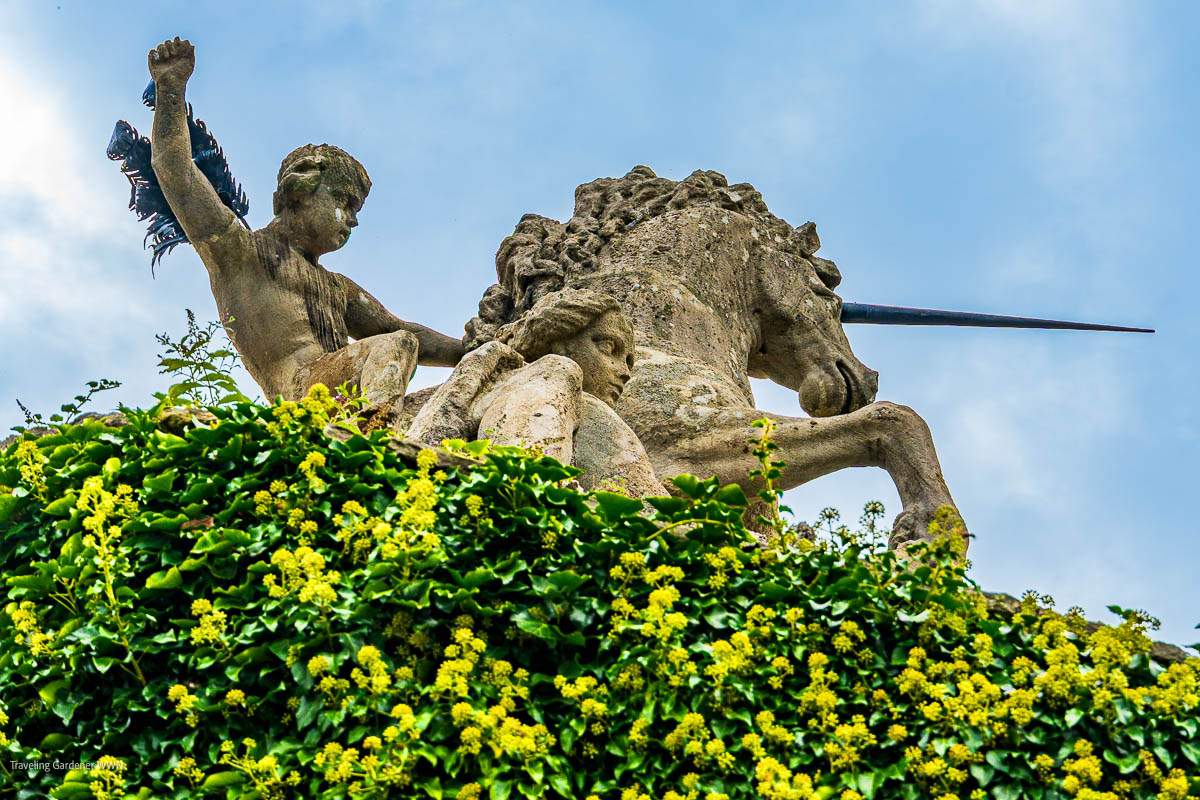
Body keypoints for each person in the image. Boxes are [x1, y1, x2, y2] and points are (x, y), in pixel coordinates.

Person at [147, 37, 464, 425]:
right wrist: (171, 88)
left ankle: (379, 418)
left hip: (343, 390)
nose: (352, 220)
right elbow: (175, 170)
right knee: (395, 346)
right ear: (300, 190)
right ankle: (376, 427)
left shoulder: (338, 287)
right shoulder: (239, 252)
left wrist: (467, 349)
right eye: (344, 202)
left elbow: (398, 326)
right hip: (302, 391)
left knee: (456, 379)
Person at [408, 289, 665, 497]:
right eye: (609, 348)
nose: (625, 372)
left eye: (628, 362)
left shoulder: (599, 416)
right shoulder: (549, 373)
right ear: (557, 338)